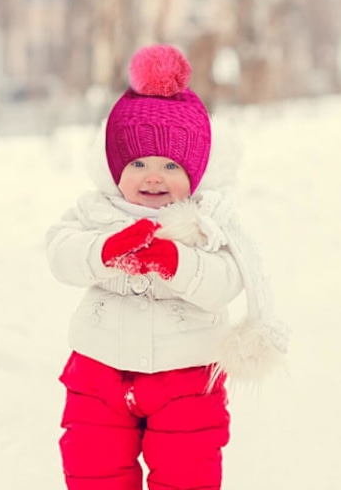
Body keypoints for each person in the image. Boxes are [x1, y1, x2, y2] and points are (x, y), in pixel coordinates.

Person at [46, 44, 288, 490]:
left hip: (186, 381)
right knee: (92, 471)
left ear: (194, 172)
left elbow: (228, 280)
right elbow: (60, 253)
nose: (152, 176)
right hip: (97, 378)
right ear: (116, 168)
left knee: (187, 476)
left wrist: (178, 263)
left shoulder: (206, 222)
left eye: (170, 164)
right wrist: (103, 251)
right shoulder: (97, 212)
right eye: (137, 163)